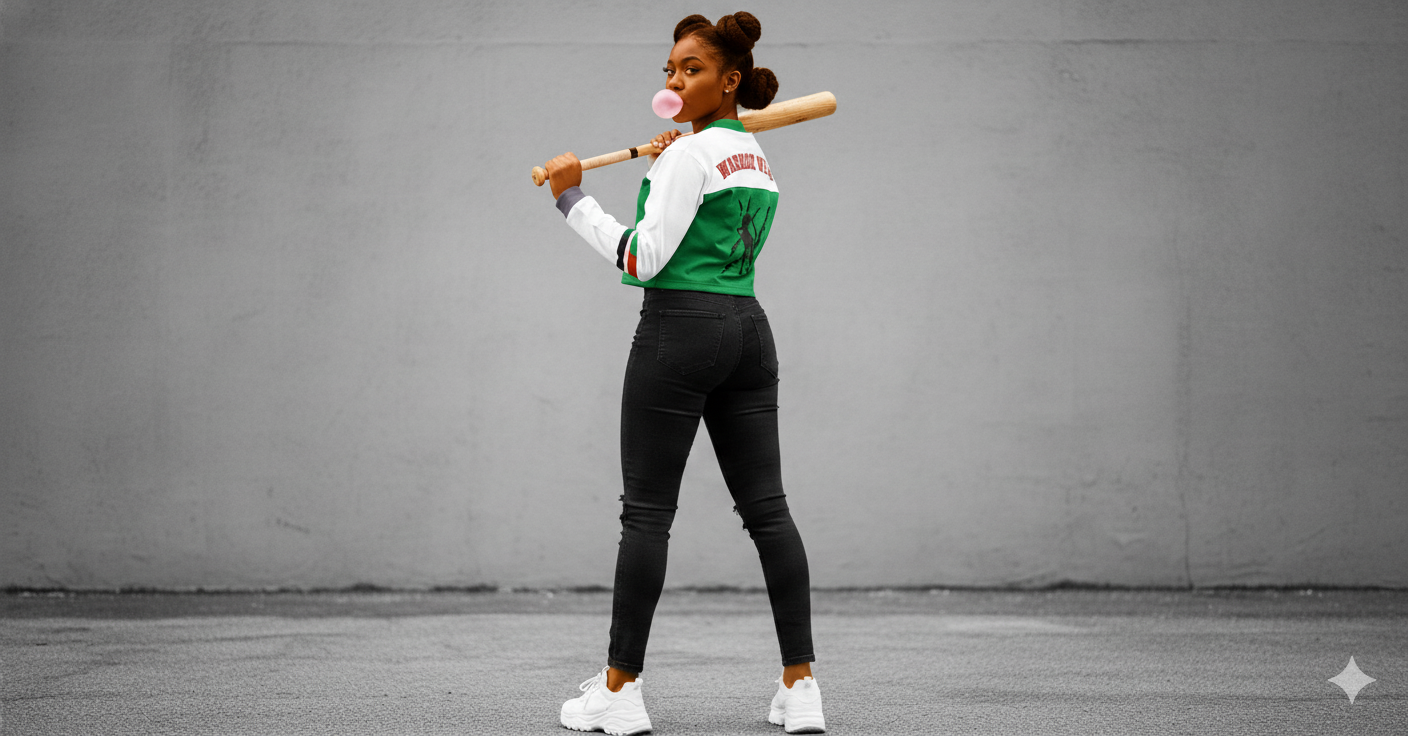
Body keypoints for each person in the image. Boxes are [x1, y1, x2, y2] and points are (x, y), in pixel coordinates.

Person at [543, 12, 825, 735]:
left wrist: (572, 198)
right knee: (769, 511)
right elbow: (700, 218)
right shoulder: (754, 156)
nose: (674, 79)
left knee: (646, 514)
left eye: (691, 69)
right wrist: (664, 165)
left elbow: (643, 258)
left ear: (730, 81)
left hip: (679, 331)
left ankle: (618, 691)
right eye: (670, 68)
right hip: (748, 330)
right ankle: (801, 688)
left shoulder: (689, 156)